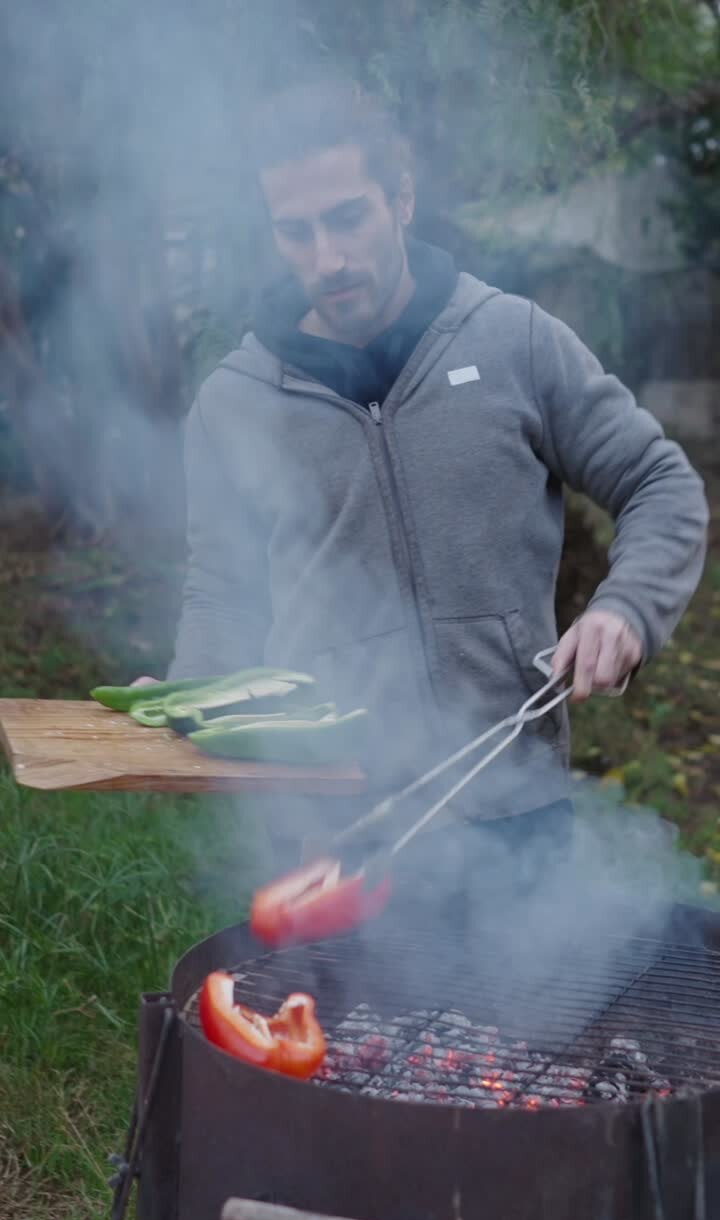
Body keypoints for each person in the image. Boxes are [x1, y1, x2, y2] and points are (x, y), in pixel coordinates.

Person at [148, 79, 709, 889]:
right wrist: (178, 703)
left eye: (348, 217)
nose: (327, 258)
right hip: (324, 820)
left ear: (401, 200)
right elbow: (222, 593)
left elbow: (660, 482)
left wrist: (627, 609)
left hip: (512, 810)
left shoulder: (514, 339)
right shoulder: (233, 403)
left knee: (537, 1019)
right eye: (295, 232)